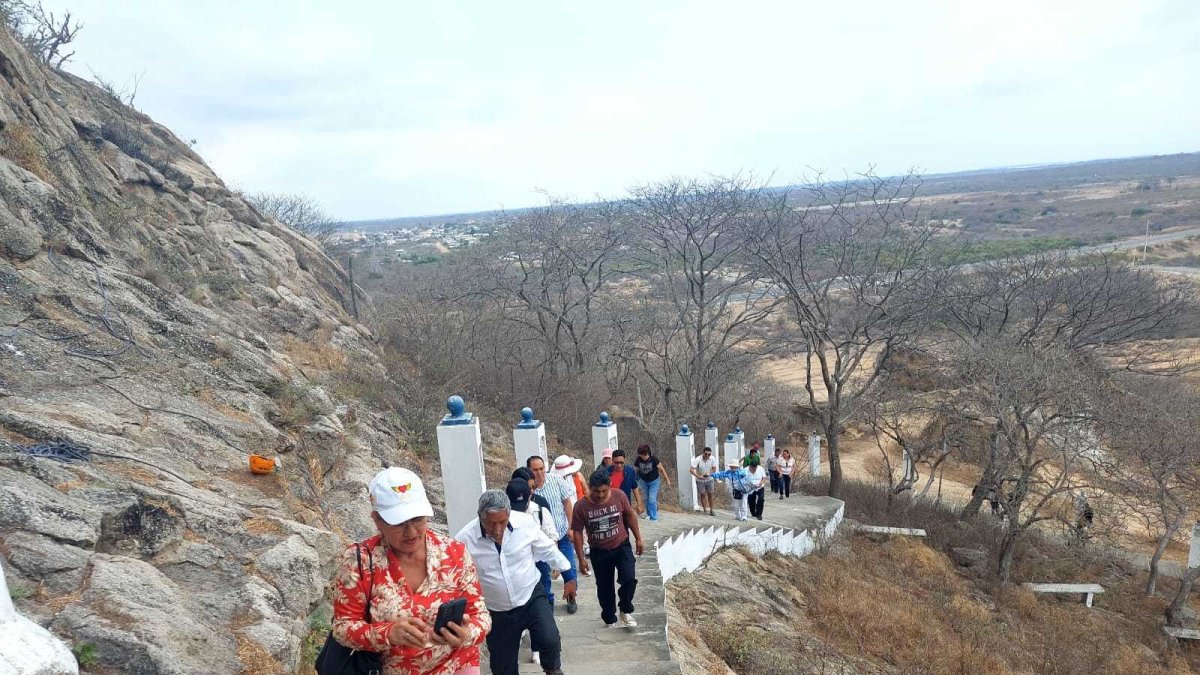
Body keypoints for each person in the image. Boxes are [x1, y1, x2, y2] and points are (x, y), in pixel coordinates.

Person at [331, 467, 489, 675]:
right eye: (399, 523)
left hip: (456, 665)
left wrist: (467, 634)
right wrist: (388, 634)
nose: (411, 532)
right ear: (377, 520)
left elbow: (480, 615)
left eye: (417, 519)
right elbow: (343, 628)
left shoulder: (454, 553)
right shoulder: (359, 561)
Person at [455, 491, 570, 675]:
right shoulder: (464, 539)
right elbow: (456, 577)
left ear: (509, 514)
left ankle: (552, 669)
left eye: (502, 522)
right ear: (480, 517)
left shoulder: (525, 523)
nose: (497, 529)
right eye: (491, 523)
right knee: (503, 666)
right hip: (496, 610)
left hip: (530, 596)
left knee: (550, 638)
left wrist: (569, 576)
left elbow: (548, 549)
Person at [572, 470, 644, 629]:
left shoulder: (619, 496)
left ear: (610, 486)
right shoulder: (581, 506)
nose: (600, 495)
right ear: (589, 487)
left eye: (604, 491)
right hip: (599, 551)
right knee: (605, 587)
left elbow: (630, 515)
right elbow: (577, 532)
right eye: (596, 491)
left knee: (629, 578)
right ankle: (609, 617)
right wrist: (581, 559)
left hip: (621, 545)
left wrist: (638, 538)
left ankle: (625, 609)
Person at [525, 456, 580, 614]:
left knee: (569, 566)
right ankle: (548, 601)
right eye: (535, 470)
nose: (539, 472)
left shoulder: (557, 480)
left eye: (541, 468)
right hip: (542, 540)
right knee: (544, 572)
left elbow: (567, 503)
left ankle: (571, 596)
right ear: (529, 470)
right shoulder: (528, 489)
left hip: (562, 534)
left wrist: (571, 527)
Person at [633, 444, 670, 521]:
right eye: (640, 454)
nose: (641, 456)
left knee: (652, 499)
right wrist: (635, 479)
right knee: (647, 498)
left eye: (642, 454)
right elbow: (636, 470)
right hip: (643, 481)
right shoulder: (638, 459)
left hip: (654, 481)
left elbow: (662, 469)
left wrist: (667, 479)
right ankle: (649, 515)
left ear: (646, 453)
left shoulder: (654, 459)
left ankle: (654, 518)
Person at [690, 446, 719, 516]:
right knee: (702, 494)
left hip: (709, 479)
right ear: (703, 453)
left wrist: (709, 473)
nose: (707, 456)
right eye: (706, 454)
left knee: (710, 494)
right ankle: (705, 509)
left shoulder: (712, 458)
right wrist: (698, 476)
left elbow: (714, 469)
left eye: (709, 454)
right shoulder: (698, 459)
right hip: (700, 480)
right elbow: (691, 469)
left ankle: (711, 509)